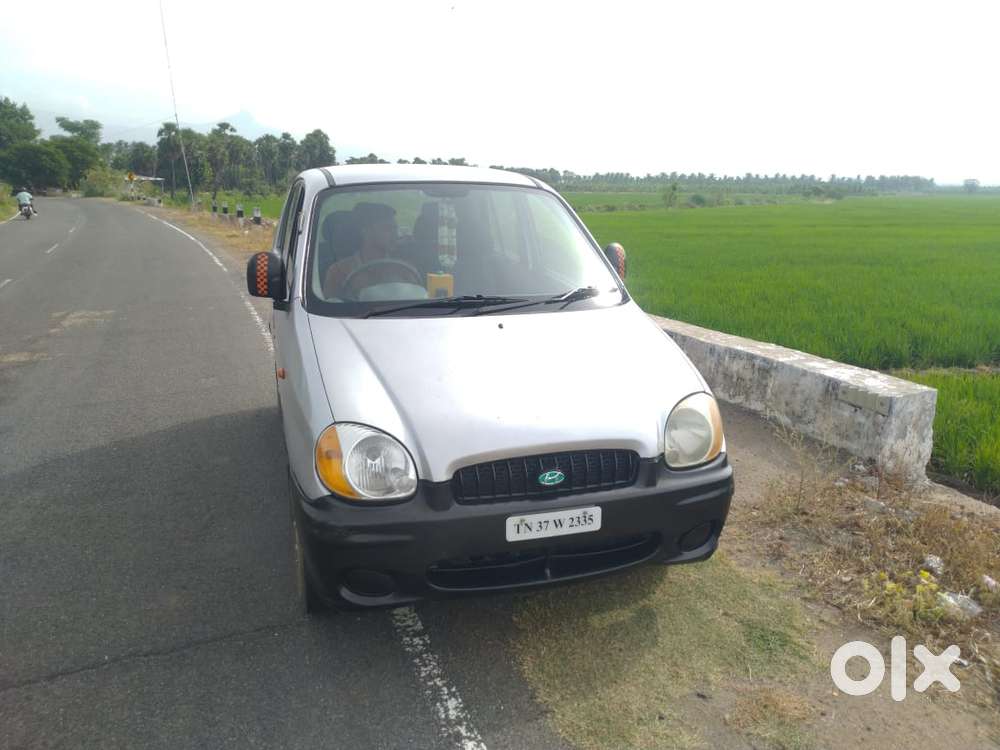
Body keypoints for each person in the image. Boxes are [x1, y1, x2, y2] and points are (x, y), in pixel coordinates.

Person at [322, 202, 412, 299]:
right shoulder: (339, 271)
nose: (396, 235)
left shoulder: (404, 268)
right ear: (366, 231)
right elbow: (330, 306)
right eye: (388, 229)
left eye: (395, 229)